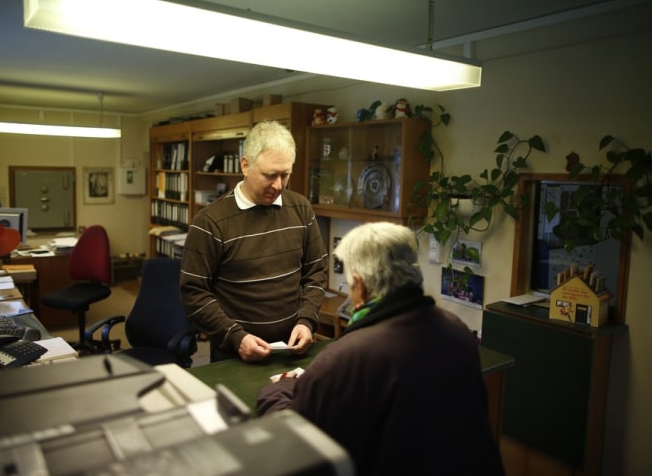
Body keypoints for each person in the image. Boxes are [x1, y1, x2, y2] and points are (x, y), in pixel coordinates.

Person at [257, 222, 505, 476]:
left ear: (360, 285)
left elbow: (296, 441)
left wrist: (278, 390)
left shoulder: (346, 357)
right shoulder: (457, 331)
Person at [180, 120, 328, 363]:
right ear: (245, 166)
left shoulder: (301, 209)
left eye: (285, 175)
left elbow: (316, 272)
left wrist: (306, 321)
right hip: (235, 354)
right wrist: (236, 337)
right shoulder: (210, 222)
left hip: (292, 350)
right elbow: (193, 293)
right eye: (270, 175)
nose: (278, 185)